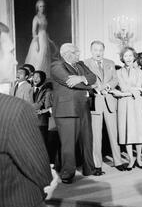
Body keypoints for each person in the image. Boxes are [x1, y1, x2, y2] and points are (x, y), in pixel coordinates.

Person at [0, 19, 58, 207]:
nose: (16, 59)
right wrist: (52, 177)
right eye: (10, 52)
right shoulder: (12, 110)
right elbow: (43, 177)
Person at [50, 43, 97, 183]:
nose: (79, 54)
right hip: (67, 110)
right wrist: (90, 86)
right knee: (68, 144)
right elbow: (70, 82)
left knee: (87, 140)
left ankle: (90, 169)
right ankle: (67, 173)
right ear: (67, 53)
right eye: (76, 52)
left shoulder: (81, 64)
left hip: (83, 107)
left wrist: (82, 78)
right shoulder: (57, 66)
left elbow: (93, 76)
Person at [84, 40, 126, 173]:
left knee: (114, 134)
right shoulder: (85, 64)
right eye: (95, 50)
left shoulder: (110, 63)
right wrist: (98, 88)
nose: (98, 53)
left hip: (110, 101)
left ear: (104, 51)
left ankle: (118, 161)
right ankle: (97, 165)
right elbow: (85, 81)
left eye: (100, 50)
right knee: (96, 137)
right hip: (96, 102)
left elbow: (115, 79)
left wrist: (107, 86)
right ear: (91, 51)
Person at [112, 47, 142, 169]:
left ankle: (139, 159)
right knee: (126, 131)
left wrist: (122, 94)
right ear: (122, 58)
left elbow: (137, 89)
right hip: (123, 104)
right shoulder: (118, 72)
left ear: (134, 57)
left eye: (130, 56)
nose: (128, 58)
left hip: (136, 103)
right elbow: (124, 87)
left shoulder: (139, 72)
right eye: (125, 56)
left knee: (138, 131)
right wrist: (128, 91)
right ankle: (131, 160)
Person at [24, 0, 57, 77]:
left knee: (45, 56)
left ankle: (44, 76)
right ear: (37, 7)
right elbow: (33, 32)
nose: (42, 8)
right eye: (40, 6)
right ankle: (36, 76)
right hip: (38, 39)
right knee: (39, 57)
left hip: (45, 38)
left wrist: (50, 40)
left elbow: (45, 30)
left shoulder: (44, 17)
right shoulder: (36, 18)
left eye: (43, 6)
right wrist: (37, 44)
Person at [31, 70, 52, 145]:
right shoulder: (30, 89)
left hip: (42, 122)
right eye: (34, 77)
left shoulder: (47, 91)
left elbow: (43, 105)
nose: (35, 79)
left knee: (41, 145)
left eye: (37, 77)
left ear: (42, 78)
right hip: (30, 121)